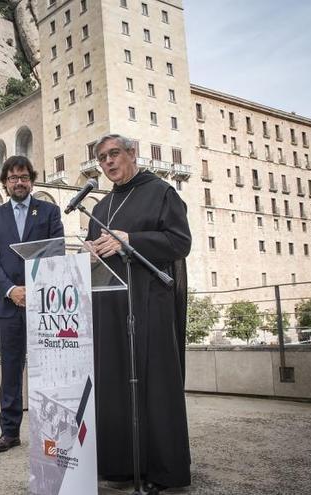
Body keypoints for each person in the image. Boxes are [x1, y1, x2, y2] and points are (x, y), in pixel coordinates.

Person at [85, 134, 192, 490]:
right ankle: (118, 467)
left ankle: (162, 471)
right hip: (110, 307)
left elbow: (181, 243)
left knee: (154, 386)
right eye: (102, 158)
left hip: (151, 306)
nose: (108, 162)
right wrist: (92, 253)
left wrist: (130, 239)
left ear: (132, 153)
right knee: (114, 384)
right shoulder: (99, 208)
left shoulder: (162, 192)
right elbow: (101, 256)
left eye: (114, 154)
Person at [0, 155, 64, 453]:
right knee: (11, 370)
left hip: (44, 304)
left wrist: (35, 287)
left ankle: (52, 431)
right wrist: (11, 290)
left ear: (32, 180)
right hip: (8, 306)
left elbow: (57, 252)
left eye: (24, 176)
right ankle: (10, 433)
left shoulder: (49, 212)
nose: (19, 181)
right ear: (5, 183)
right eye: (13, 177)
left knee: (48, 369)